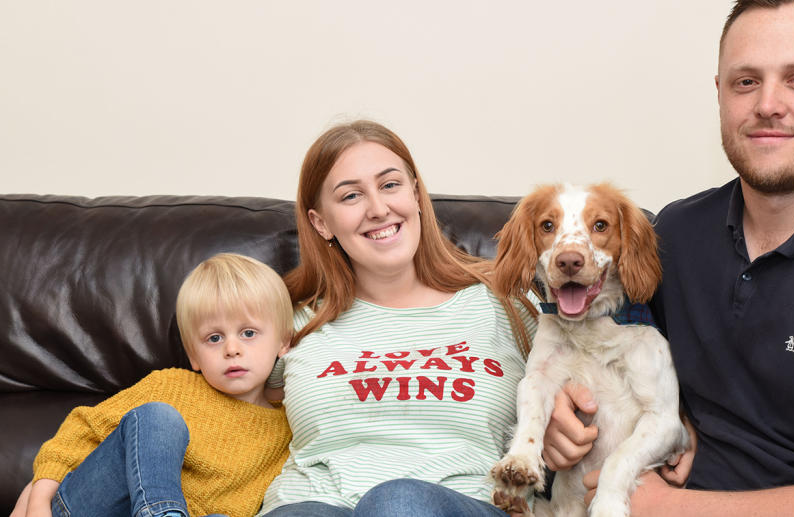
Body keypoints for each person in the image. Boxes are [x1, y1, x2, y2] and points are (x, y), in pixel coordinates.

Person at [544, 1, 794, 516]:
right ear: (719, 93)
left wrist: (664, 509)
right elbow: (617, 355)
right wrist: (566, 416)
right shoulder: (674, 232)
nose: (768, 104)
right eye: (745, 82)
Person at [256, 120, 537, 517]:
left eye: (390, 185)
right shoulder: (289, 318)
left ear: (417, 194)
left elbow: (589, 385)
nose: (378, 209)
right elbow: (225, 401)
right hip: (314, 502)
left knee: (397, 502)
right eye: (351, 196)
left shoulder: (505, 301)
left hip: (460, 502)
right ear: (321, 223)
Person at [14, 253, 294, 517]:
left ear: (283, 341)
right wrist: (38, 501)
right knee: (159, 417)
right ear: (194, 355)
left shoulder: (290, 425)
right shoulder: (171, 385)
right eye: (214, 338)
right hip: (89, 506)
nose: (232, 349)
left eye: (248, 333)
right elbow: (80, 433)